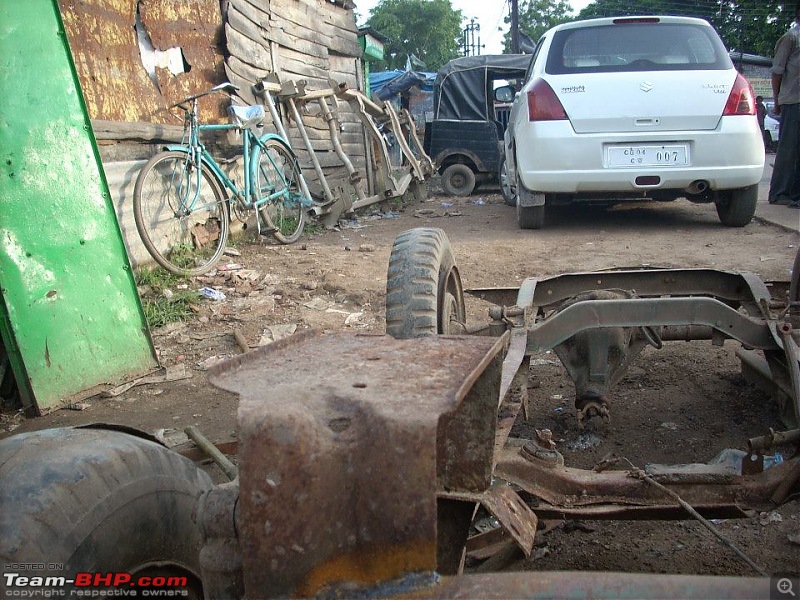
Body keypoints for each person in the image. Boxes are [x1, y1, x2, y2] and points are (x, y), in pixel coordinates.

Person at [768, 2, 800, 208]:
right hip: (793, 100)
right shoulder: (791, 37)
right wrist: (777, 100)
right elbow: (777, 71)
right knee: (789, 148)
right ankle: (779, 192)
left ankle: (795, 194)